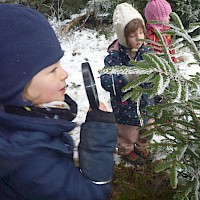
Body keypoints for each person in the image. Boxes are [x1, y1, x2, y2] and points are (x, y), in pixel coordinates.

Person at [0, 4, 117, 200]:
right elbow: (90, 195)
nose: (64, 73)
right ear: (15, 86)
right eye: (52, 70)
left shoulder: (20, 120)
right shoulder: (29, 159)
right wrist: (98, 141)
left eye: (60, 65)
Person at [100, 3, 154, 166]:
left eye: (140, 32)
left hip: (146, 104)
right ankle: (126, 150)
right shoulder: (114, 56)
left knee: (148, 129)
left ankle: (142, 145)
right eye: (132, 35)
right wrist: (126, 78)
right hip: (125, 108)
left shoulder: (148, 51)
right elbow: (106, 80)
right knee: (127, 134)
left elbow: (157, 72)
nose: (139, 38)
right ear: (123, 37)